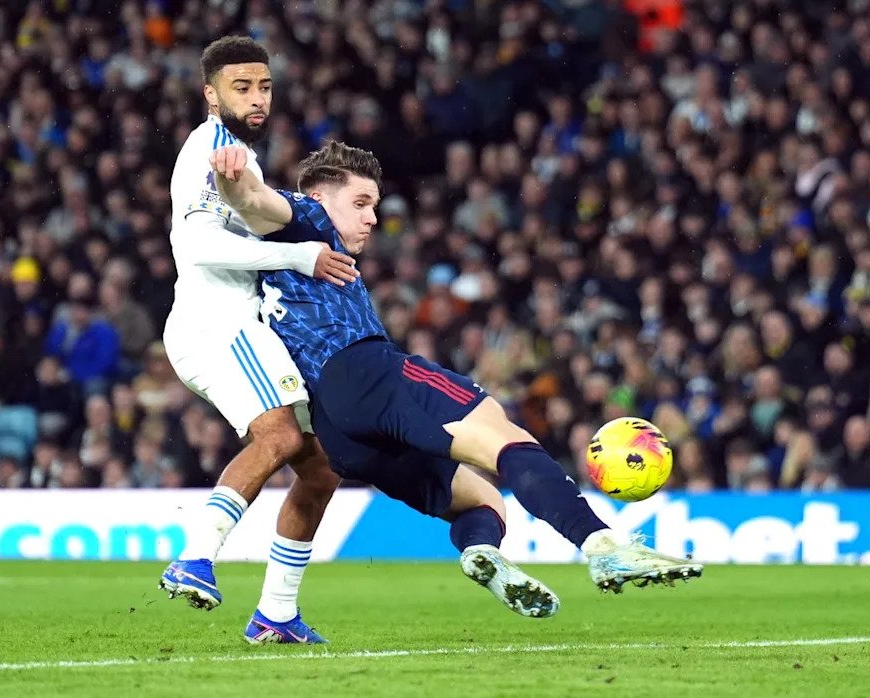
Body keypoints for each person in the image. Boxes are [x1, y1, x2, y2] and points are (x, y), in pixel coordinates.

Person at [209, 140, 703, 611]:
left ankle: (480, 551)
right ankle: (601, 542)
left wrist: (239, 190)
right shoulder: (306, 213)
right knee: (509, 441)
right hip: (365, 370)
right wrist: (231, 172)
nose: (372, 217)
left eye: (374, 205)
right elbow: (254, 197)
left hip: (338, 431)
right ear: (318, 197)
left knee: (483, 501)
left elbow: (253, 208)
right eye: (360, 202)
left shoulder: (286, 255)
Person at [160, 36, 360, 644]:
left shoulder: (239, 156)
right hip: (216, 323)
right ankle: (194, 558)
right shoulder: (211, 145)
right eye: (241, 87)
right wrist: (301, 254)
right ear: (211, 95)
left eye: (264, 86)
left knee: (321, 470)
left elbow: (258, 222)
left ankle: (276, 613)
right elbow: (195, 246)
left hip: (236, 324)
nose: (256, 98)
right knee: (277, 436)